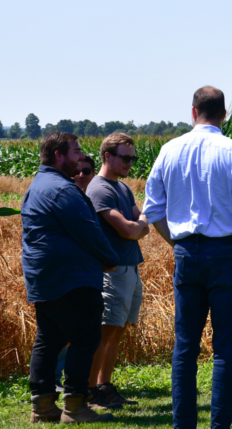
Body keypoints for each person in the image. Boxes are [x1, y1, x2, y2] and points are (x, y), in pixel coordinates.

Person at [142, 86, 232, 429]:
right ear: (224, 115)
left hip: (187, 251)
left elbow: (153, 210)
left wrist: (176, 243)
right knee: (225, 348)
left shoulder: (169, 150)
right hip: (228, 250)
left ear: (193, 112)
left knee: (185, 347)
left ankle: (184, 425)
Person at [22, 132, 119, 423]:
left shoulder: (38, 185)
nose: (80, 156)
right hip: (72, 278)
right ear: (58, 156)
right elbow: (89, 232)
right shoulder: (63, 190)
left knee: (48, 339)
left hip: (45, 278)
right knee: (85, 338)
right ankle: (75, 406)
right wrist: (111, 259)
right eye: (76, 151)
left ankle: (42, 407)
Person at [85, 133, 149, 409]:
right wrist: (140, 224)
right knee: (105, 331)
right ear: (107, 156)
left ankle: (104, 385)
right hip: (112, 271)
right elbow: (128, 229)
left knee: (118, 330)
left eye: (132, 158)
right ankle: (89, 391)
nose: (130, 163)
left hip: (130, 268)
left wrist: (139, 225)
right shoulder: (100, 189)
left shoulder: (122, 188)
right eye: (125, 158)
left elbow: (139, 221)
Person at [53, 156, 96, 393]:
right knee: (58, 333)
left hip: (83, 275)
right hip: (66, 274)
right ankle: (57, 383)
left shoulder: (87, 198)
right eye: (77, 172)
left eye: (87, 171)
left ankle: (64, 384)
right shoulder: (66, 197)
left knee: (73, 333)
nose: (81, 176)